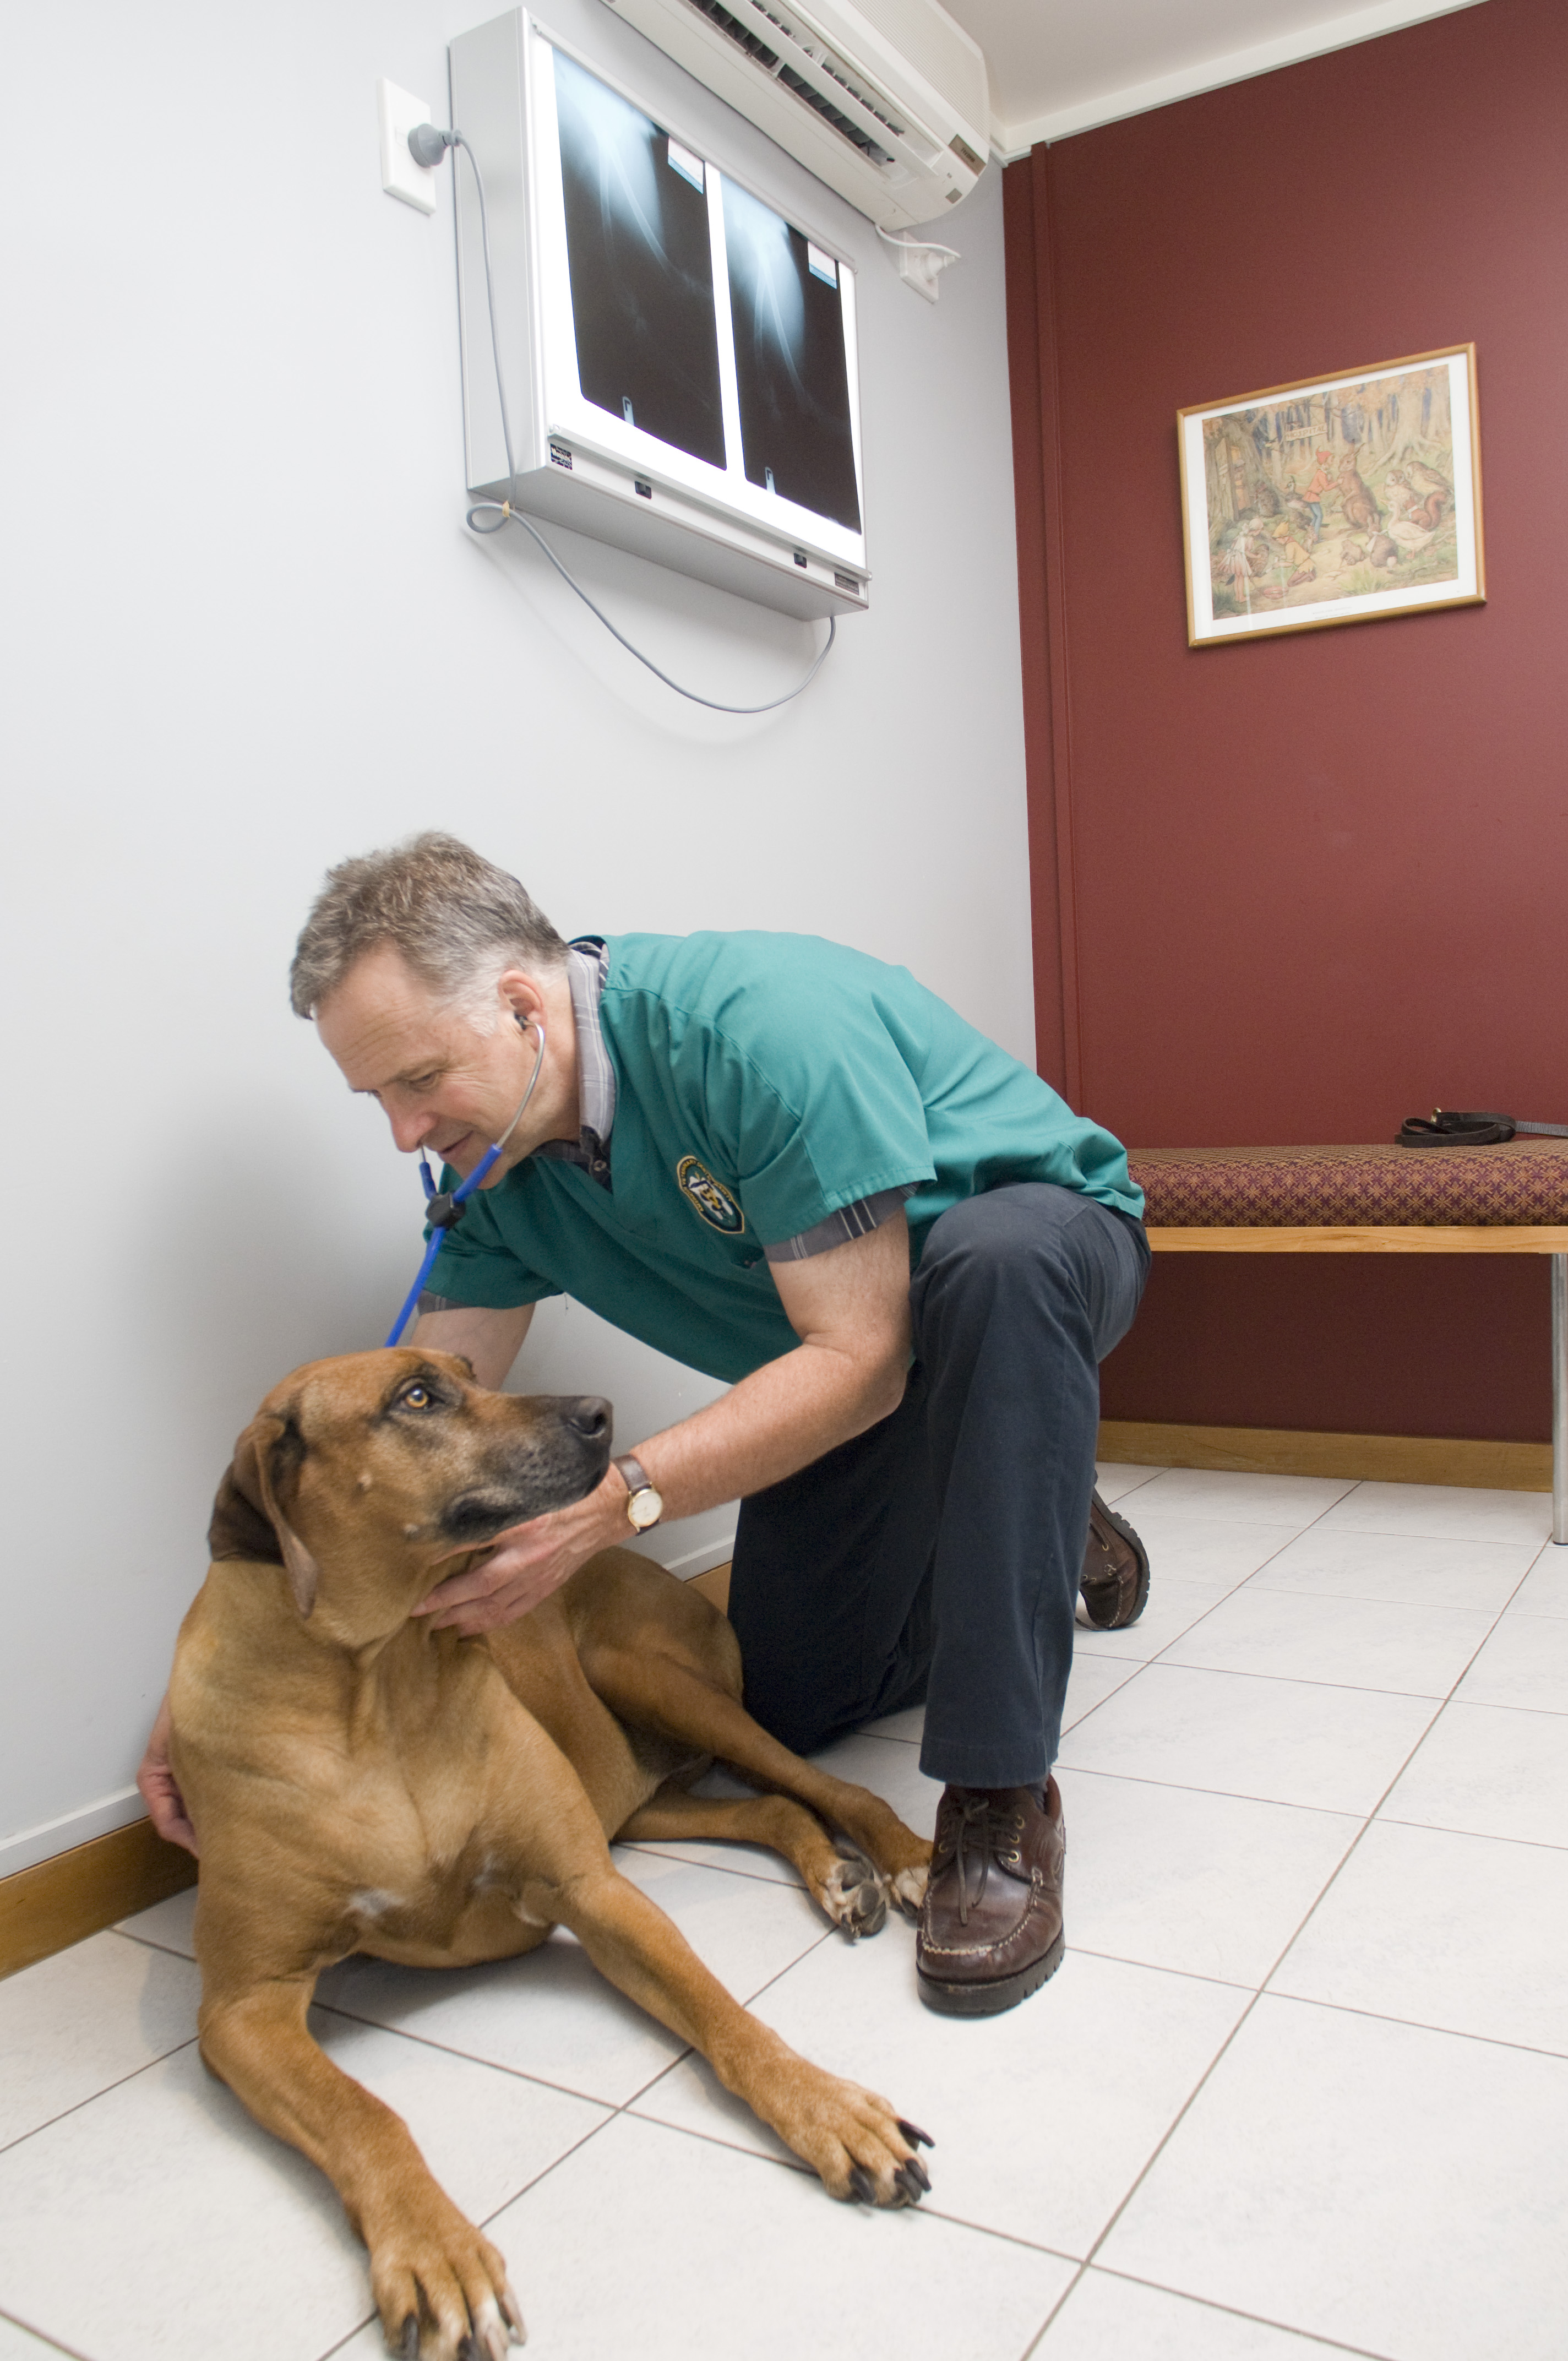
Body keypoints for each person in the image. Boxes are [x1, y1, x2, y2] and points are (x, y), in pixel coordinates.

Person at [140, 834, 1150, 2017]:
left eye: (417, 1081)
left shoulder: (758, 1029)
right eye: (378, 1100)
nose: (403, 1133)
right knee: (785, 1703)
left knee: (992, 1261)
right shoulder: (496, 1173)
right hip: (860, 1380)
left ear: (522, 1005)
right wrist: (212, 1677)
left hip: (1027, 1265)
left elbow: (861, 1356)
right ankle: (1012, 1489)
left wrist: (610, 1505)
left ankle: (999, 1794)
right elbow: (405, 1432)